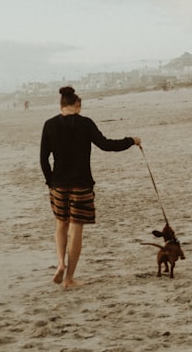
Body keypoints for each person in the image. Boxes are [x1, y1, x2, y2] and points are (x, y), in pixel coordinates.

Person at [40, 86, 140, 290]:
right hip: (82, 183)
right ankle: (69, 279)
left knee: (61, 224)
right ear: (77, 105)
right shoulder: (86, 124)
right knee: (76, 229)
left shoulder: (49, 125)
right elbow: (106, 144)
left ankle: (60, 263)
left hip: (59, 184)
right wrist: (131, 141)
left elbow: (43, 159)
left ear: (61, 105)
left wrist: (51, 182)